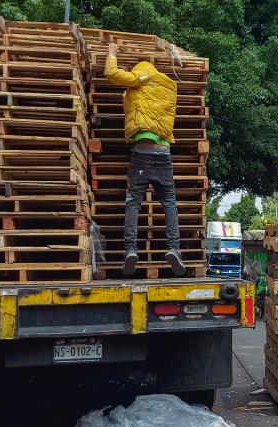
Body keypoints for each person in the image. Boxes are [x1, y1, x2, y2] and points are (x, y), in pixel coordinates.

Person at [105, 42, 184, 276]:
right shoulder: (168, 86)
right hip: (164, 153)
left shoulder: (143, 72)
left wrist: (111, 55)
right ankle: (174, 248)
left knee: (133, 202)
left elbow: (113, 74)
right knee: (169, 202)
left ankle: (130, 250)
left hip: (142, 154)